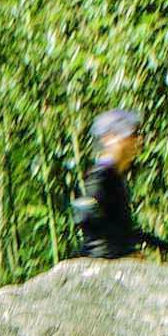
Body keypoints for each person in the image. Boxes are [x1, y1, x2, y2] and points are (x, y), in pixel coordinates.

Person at [68, 105, 154, 260]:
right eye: (130, 135)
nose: (137, 140)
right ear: (108, 138)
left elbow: (124, 230)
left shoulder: (114, 177)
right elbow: (89, 224)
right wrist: (123, 253)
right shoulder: (98, 178)